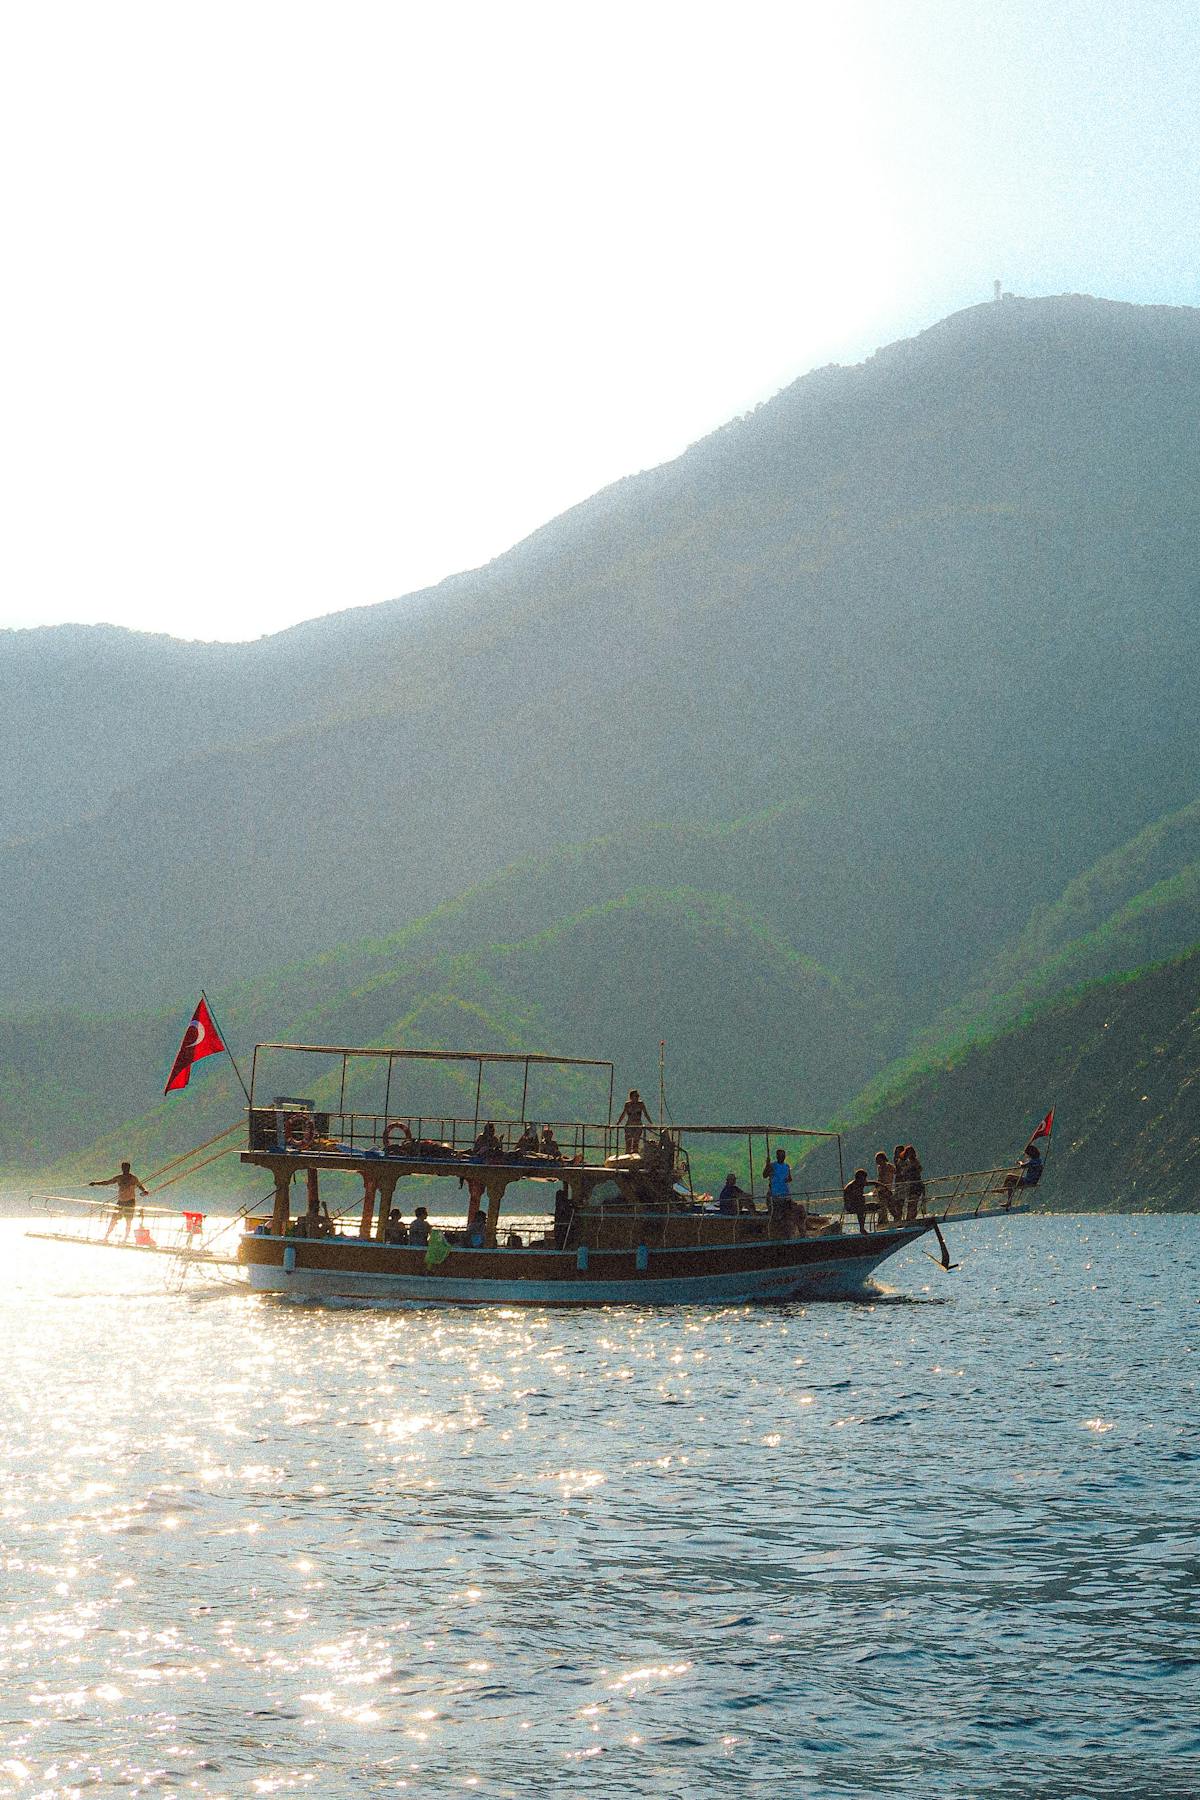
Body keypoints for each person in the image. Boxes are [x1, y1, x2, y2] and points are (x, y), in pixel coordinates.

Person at [90, 1161, 149, 1242]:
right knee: (114, 1219)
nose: (124, 1169)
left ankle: (124, 1239)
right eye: (123, 1168)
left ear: (128, 1168)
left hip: (130, 1201)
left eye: (126, 1168)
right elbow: (107, 1182)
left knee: (128, 1221)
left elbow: (140, 1186)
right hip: (121, 1201)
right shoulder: (119, 1178)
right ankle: (106, 1237)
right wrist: (96, 1183)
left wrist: (145, 1191)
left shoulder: (133, 1178)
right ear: (122, 1168)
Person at [1004, 1141, 1044, 1206]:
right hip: (1032, 1181)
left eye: (1028, 1154)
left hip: (1028, 1181)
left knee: (1009, 1176)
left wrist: (1020, 1162)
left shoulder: (1034, 1161)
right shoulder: (1039, 1160)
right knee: (1010, 1183)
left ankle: (1002, 1191)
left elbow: (1022, 1166)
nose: (1028, 1155)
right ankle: (1009, 1203)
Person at [616, 1089, 652, 1154]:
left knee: (636, 1140)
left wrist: (651, 1123)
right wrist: (618, 1123)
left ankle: (635, 1155)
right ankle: (627, 1155)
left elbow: (646, 1114)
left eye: (638, 1096)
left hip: (638, 1125)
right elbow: (623, 1114)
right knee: (628, 1141)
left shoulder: (640, 1104)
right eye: (636, 1096)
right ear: (631, 1097)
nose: (637, 1097)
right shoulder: (627, 1104)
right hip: (629, 1125)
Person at [843, 1168, 869, 1233]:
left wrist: (882, 1185)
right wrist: (849, 1205)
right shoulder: (851, 1186)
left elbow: (871, 1183)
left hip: (860, 1205)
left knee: (876, 1205)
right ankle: (862, 1228)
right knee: (860, 1209)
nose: (865, 1180)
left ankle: (883, 1221)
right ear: (859, 1178)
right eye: (864, 1178)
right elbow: (847, 1199)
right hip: (851, 1206)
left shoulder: (861, 1184)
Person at [872, 1150, 895, 1224]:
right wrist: (875, 1190)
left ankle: (896, 1219)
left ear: (882, 1159)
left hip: (887, 1189)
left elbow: (897, 1172)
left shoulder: (889, 1166)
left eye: (878, 1159)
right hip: (881, 1190)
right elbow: (879, 1179)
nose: (877, 1162)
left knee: (891, 1207)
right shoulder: (879, 1168)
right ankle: (883, 1222)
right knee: (882, 1208)